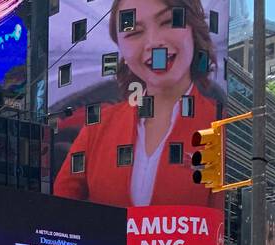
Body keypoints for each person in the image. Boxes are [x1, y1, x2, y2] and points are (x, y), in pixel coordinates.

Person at [52, 0, 225, 210]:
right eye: (133, 32)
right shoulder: (96, 127)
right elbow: (61, 213)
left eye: (169, 21)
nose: (153, 42)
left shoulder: (222, 125)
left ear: (193, 29)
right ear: (121, 50)